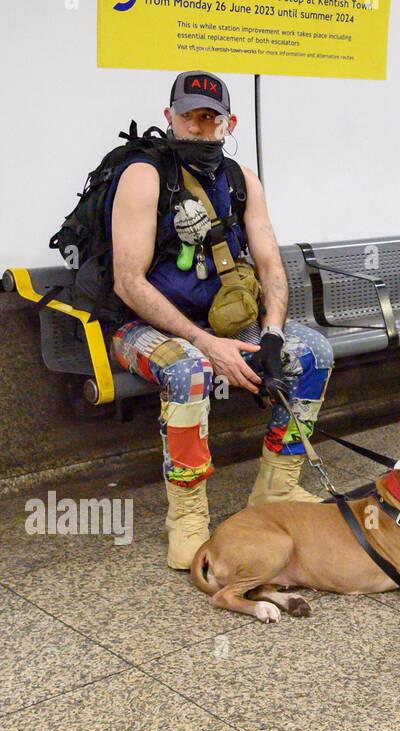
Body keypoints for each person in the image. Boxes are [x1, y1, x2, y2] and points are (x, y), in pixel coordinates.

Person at [108, 71, 335, 569]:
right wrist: (204, 342)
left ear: (227, 122)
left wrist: (272, 334)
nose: (199, 127)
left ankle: (277, 491)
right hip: (141, 329)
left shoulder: (240, 179)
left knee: (313, 352)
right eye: (189, 116)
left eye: (210, 119)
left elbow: (271, 264)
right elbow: (128, 282)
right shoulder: (143, 176)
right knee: (190, 369)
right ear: (170, 117)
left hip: (226, 322)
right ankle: (187, 519)